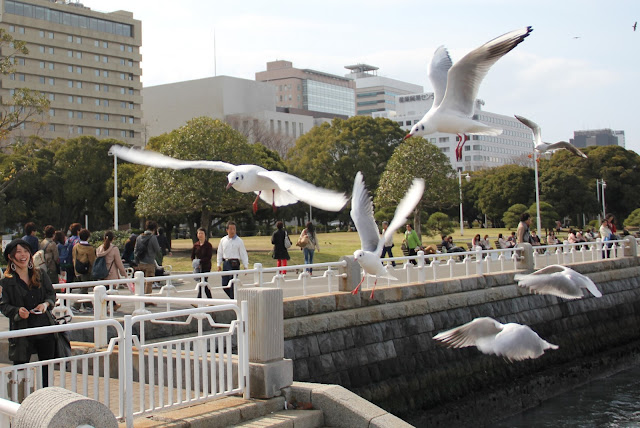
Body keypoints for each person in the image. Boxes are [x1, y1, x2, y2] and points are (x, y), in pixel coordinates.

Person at [1, 239, 56, 387]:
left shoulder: (40, 274)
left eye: (26, 251)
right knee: (20, 369)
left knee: (48, 368)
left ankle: (48, 398)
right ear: (11, 257)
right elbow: (4, 305)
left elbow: (51, 295)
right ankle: (22, 402)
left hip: (44, 328)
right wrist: (17, 312)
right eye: (18, 252)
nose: (23, 255)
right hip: (21, 331)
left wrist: (45, 305)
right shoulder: (6, 282)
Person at [217, 221, 249, 299]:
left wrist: (245, 265)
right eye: (230, 229)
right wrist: (218, 264)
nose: (232, 231)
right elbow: (220, 252)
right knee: (225, 285)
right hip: (226, 263)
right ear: (227, 230)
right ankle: (234, 299)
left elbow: (243, 253)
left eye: (234, 229)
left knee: (232, 284)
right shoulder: (223, 240)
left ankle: (234, 301)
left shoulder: (239, 241)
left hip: (234, 263)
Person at [134, 221, 162, 306]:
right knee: (149, 282)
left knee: (141, 282)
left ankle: (140, 299)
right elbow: (157, 250)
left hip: (140, 262)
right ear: (154, 229)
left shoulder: (139, 237)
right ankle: (147, 300)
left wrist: (137, 261)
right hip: (149, 262)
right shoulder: (153, 238)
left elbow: (135, 250)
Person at [71, 228, 95, 313]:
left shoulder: (76, 247)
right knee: (84, 289)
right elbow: (92, 261)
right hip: (86, 271)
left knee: (84, 288)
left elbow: (74, 258)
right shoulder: (90, 248)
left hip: (77, 270)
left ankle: (88, 306)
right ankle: (75, 306)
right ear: (88, 237)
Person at [191, 227, 214, 300]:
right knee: (203, 283)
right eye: (199, 233)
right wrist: (195, 263)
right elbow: (192, 256)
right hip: (198, 267)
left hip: (206, 266)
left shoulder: (208, 245)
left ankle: (198, 300)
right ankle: (210, 301)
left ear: (205, 235)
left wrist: (200, 261)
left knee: (202, 282)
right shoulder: (196, 245)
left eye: (202, 233)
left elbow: (209, 257)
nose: (200, 235)